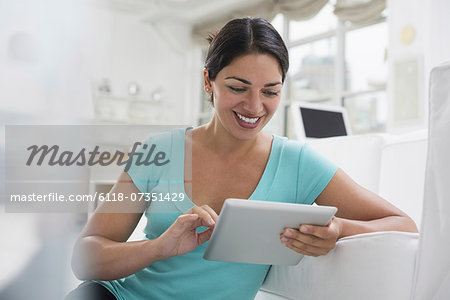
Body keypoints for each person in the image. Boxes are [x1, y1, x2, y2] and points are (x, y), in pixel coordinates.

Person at [66, 17, 418, 300]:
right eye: (237, 87)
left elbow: (402, 224)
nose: (254, 107)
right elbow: (85, 257)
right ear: (209, 81)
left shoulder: (297, 163)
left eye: (270, 91)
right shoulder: (158, 152)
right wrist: (158, 247)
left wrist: (340, 228)